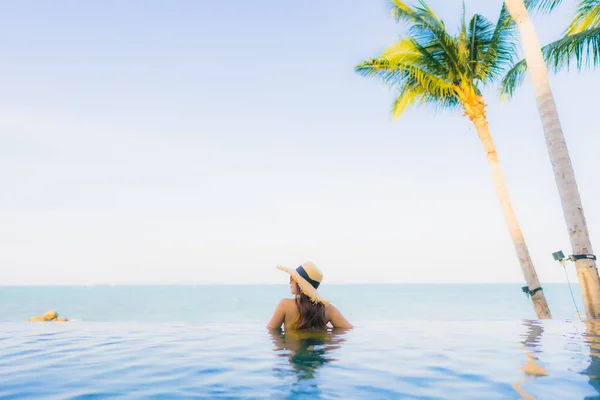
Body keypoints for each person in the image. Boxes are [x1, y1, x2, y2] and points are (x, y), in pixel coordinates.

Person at [266, 261, 353, 330]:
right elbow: (348, 329)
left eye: (292, 278)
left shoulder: (284, 305)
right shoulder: (328, 309)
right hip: (317, 351)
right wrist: (328, 343)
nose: (290, 281)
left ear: (298, 282)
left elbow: (271, 331)